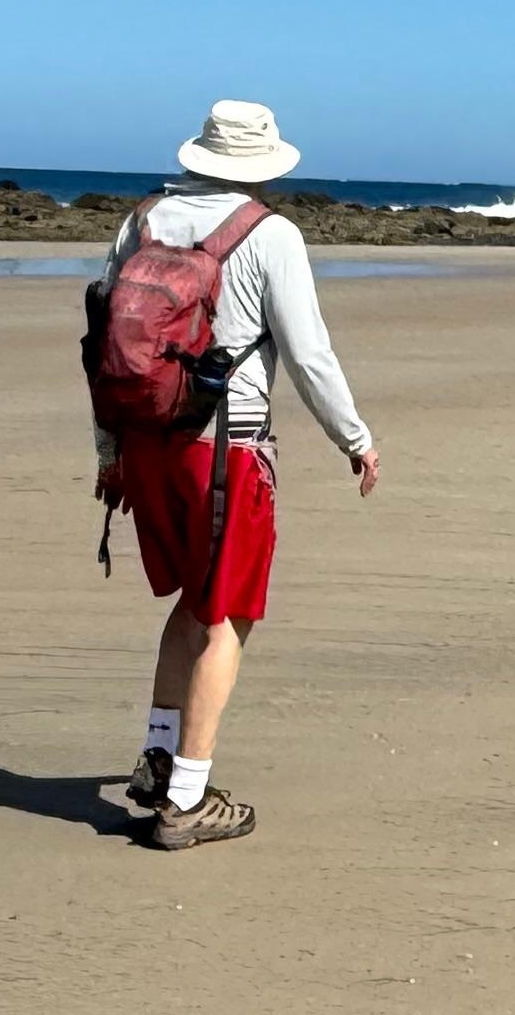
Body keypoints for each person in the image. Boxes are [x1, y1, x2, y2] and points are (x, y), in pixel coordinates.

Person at [97, 101, 381, 850]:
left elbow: (104, 345)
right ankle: (187, 797)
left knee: (194, 602)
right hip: (227, 452)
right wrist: (355, 438)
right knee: (229, 616)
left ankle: (158, 763)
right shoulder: (271, 234)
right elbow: (309, 352)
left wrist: (108, 455)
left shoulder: (142, 223)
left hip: (147, 442)